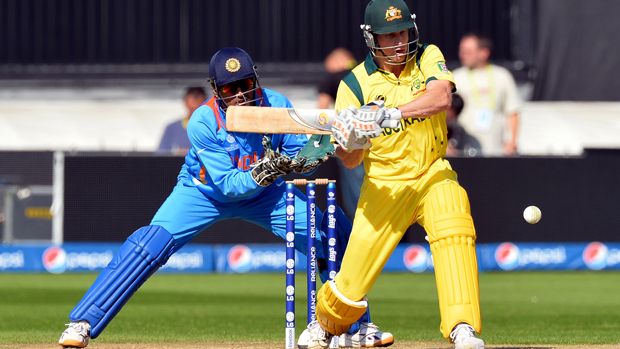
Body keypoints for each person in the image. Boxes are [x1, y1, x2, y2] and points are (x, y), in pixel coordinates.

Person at [57, 47, 392, 349]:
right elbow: (230, 186)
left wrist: (312, 153)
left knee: (332, 233)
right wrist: (269, 169)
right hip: (203, 192)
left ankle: (354, 326)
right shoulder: (204, 120)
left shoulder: (276, 105)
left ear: (255, 79)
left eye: (246, 84)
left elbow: (297, 159)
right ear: (216, 90)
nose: (241, 95)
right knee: (150, 244)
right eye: (230, 89)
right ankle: (82, 323)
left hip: (265, 194)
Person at [303, 1, 485, 349]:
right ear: (372, 38)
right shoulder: (354, 85)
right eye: (389, 36)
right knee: (351, 281)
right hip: (384, 186)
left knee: (454, 219)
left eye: (401, 32)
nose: (399, 42)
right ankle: (325, 325)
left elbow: (441, 97)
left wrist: (387, 114)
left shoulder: (428, 56)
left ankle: (462, 327)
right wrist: (352, 139)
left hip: (432, 173)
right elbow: (352, 160)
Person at [453, 34, 521, 156]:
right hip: (464, 149)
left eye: (468, 51)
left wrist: (512, 141)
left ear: (484, 53)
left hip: (496, 150)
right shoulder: (455, 77)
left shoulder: (502, 75)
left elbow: (512, 111)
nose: (463, 54)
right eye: (462, 51)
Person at [316, 48, 364, 219]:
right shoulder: (365, 73)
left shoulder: (333, 78)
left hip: (352, 139)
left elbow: (321, 112)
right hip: (380, 137)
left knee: (355, 190)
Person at [157, 86, 207, 155]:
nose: (196, 102)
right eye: (193, 97)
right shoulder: (171, 128)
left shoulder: (215, 127)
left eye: (198, 97)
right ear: (185, 102)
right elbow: (161, 156)